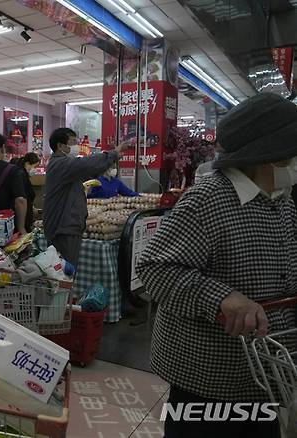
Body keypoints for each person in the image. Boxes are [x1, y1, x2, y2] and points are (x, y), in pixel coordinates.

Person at [137, 93, 297, 438]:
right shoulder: (208, 199)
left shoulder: (283, 202)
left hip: (265, 369)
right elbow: (155, 268)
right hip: (207, 371)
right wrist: (222, 298)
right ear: (268, 156)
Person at [43, 128, 125, 267]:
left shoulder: (65, 166)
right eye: (73, 142)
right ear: (60, 146)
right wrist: (113, 154)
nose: (77, 146)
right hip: (63, 229)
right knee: (63, 271)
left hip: (67, 227)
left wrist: (110, 160)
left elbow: (89, 170)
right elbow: (86, 164)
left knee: (66, 270)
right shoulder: (60, 164)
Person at [12, 152, 41, 231]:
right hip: (22, 219)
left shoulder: (22, 173)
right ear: (27, 163)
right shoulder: (20, 174)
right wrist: (22, 227)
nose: (34, 170)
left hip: (25, 216)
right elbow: (21, 198)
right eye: (34, 166)